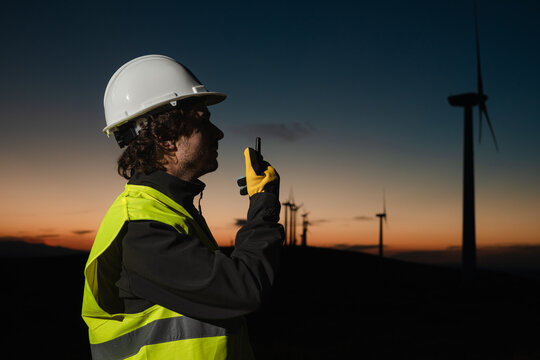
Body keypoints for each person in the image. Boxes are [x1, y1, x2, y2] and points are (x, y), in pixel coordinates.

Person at [82, 55, 284, 360]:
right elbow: (243, 289)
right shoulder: (140, 229)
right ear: (164, 136)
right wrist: (263, 207)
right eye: (203, 120)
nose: (219, 133)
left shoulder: (167, 209)